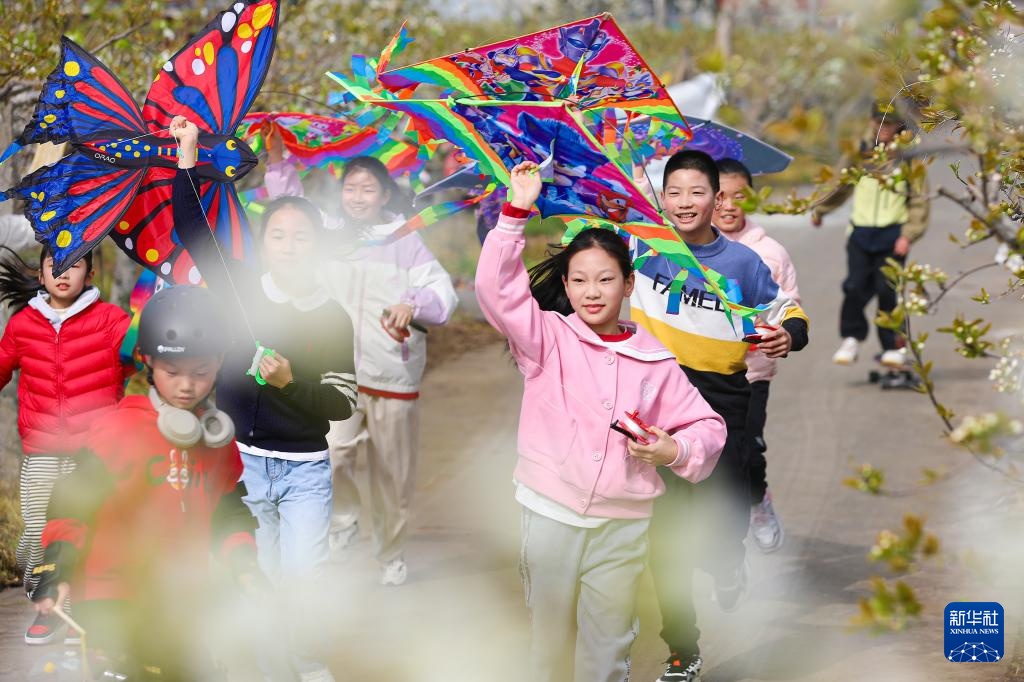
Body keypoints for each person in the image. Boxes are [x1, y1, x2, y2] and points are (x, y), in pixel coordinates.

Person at [476, 161, 727, 682]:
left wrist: (672, 450)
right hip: (549, 516)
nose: (592, 291)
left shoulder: (655, 361)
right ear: (565, 286)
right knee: (549, 644)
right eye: (580, 280)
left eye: (606, 279)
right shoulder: (547, 339)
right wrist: (516, 210)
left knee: (609, 646)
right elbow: (499, 293)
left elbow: (708, 426)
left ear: (629, 283)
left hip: (623, 527)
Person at [172, 115, 356, 681]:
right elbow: (195, 232)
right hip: (242, 466)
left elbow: (342, 405)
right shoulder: (241, 290)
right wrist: (187, 154)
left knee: (303, 580)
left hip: (304, 472)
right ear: (264, 242)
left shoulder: (332, 317)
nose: (289, 245)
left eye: (302, 237)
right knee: (259, 580)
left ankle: (309, 665)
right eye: (278, 235)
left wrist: (289, 384)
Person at [630, 150, 809, 682]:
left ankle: (729, 560)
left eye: (697, 192)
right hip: (654, 407)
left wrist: (787, 335)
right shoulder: (643, 247)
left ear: (717, 198)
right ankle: (683, 651)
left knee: (724, 520)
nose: (685, 203)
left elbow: (790, 313)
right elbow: (589, 264)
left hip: (722, 405)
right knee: (665, 541)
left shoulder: (743, 264)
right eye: (675, 192)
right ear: (663, 197)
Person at [31, 285, 258, 679]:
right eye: (173, 373)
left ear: (219, 363)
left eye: (201, 372)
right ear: (148, 361)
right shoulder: (117, 429)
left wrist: (244, 566)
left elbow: (229, 511)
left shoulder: (215, 439)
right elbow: (71, 504)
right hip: (112, 595)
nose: (187, 385)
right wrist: (58, 572)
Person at [265, 128, 457, 586]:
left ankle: (390, 553)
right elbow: (291, 210)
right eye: (350, 187)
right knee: (330, 458)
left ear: (385, 193)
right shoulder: (327, 234)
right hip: (336, 372)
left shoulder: (405, 239)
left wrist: (413, 303)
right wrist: (276, 161)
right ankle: (344, 522)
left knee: (393, 474)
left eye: (367, 188)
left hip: (392, 373)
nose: (356, 195)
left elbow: (443, 293)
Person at [0, 246, 132, 645]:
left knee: (78, 533)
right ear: (41, 275)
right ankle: (42, 591)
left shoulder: (112, 321)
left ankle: (62, 615)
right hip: (40, 454)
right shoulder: (23, 325)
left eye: (75, 264)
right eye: (54, 265)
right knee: (35, 540)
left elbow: (142, 359)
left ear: (89, 275)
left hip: (91, 456)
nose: (63, 272)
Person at [715, 157, 802, 553]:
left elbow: (789, 307)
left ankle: (757, 502)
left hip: (751, 374)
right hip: (697, 369)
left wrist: (785, 333)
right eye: (718, 196)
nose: (729, 205)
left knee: (747, 447)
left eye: (739, 196)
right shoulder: (685, 247)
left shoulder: (771, 253)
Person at [811, 104, 929, 368]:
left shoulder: (907, 156)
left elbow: (920, 199)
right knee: (854, 286)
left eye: (890, 124)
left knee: (887, 290)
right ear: (872, 122)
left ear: (899, 125)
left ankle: (892, 346)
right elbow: (840, 184)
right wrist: (820, 209)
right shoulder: (860, 152)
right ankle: (851, 337)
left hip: (893, 233)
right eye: (880, 123)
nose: (884, 129)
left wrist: (909, 235)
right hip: (861, 231)